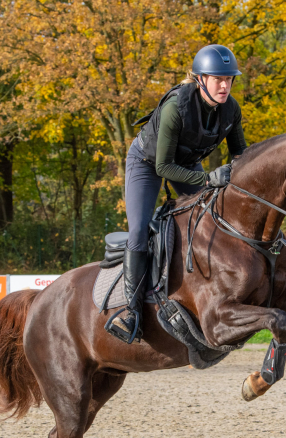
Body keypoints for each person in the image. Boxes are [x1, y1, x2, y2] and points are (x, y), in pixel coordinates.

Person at [106, 44, 249, 344]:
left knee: (216, 214)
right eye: (217, 79)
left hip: (185, 164)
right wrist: (208, 178)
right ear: (200, 80)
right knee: (139, 229)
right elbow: (163, 166)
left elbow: (240, 155)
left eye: (229, 79)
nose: (225, 86)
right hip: (147, 163)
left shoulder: (231, 109)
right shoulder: (176, 107)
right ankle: (130, 312)